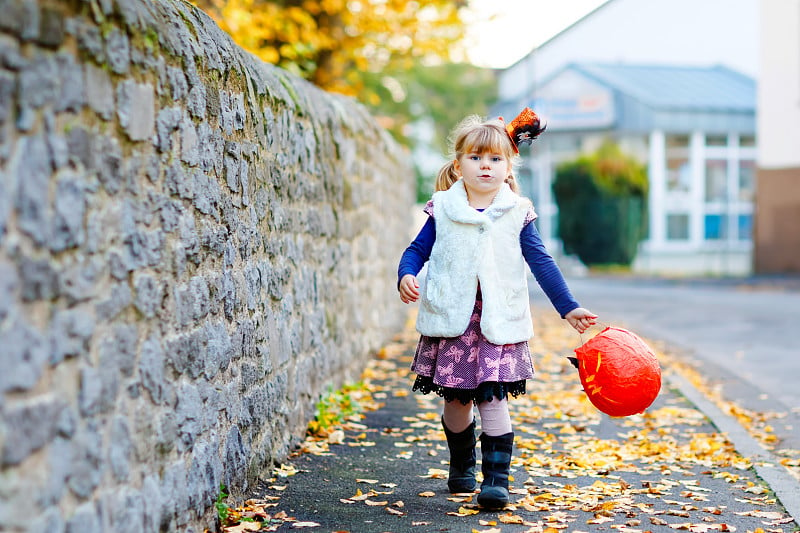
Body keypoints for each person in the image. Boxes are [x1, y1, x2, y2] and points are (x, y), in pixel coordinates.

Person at [397, 108, 597, 510]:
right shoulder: (444, 208)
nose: (485, 166)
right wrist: (406, 273)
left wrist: (568, 308)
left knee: (493, 398)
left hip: (497, 324)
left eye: (495, 159)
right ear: (458, 166)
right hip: (454, 322)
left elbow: (542, 262)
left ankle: (496, 481)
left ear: (508, 167)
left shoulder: (517, 212)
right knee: (456, 402)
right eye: (475, 158)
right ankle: (461, 462)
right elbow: (417, 249)